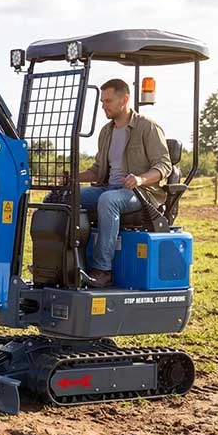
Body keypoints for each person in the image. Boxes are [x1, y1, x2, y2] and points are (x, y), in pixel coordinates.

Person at [74, 78, 174, 288]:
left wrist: (139, 179)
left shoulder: (148, 127)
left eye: (108, 101)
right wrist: (73, 178)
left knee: (108, 200)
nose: (104, 106)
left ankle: (103, 270)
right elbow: (97, 170)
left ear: (125, 99)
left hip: (141, 194)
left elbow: (165, 165)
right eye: (102, 102)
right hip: (109, 189)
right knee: (66, 198)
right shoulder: (106, 132)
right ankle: (66, 264)